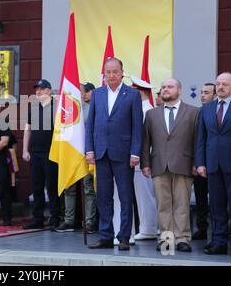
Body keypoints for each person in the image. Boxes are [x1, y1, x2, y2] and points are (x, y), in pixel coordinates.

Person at [85, 58, 143, 251]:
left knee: (126, 196)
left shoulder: (132, 94)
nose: (111, 75)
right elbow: (91, 124)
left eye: (114, 72)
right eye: (107, 72)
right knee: (103, 196)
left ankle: (124, 237)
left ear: (121, 72)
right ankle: (106, 236)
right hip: (101, 152)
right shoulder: (98, 94)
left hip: (124, 153)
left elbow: (137, 127)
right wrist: (90, 149)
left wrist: (136, 152)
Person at [141, 78, 199, 253]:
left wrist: (197, 163)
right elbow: (145, 141)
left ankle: (182, 239)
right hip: (159, 164)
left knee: (182, 204)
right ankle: (166, 239)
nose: (165, 89)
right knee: (163, 204)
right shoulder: (152, 114)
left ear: (179, 90)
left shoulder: (193, 112)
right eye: (163, 87)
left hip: (184, 163)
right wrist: (145, 163)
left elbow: (198, 141)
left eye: (170, 87)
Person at [196, 72, 231, 257]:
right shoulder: (207, 109)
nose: (221, 87)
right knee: (216, 205)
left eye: (225, 84)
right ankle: (219, 241)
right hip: (212, 165)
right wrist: (200, 163)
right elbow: (201, 138)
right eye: (218, 84)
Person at [55, 82, 98, 233]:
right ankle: (69, 221)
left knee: (88, 189)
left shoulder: (94, 108)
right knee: (69, 187)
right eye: (81, 92)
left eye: (86, 91)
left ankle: (90, 222)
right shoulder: (71, 108)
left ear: (92, 92)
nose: (83, 94)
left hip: (87, 153)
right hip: (72, 153)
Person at [22, 79, 60, 230]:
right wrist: (25, 150)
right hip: (35, 152)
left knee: (52, 187)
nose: (38, 91)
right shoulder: (33, 108)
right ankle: (37, 218)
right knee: (36, 187)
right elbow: (27, 130)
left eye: (42, 89)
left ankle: (55, 218)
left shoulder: (56, 107)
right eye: (37, 89)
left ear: (49, 91)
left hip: (50, 152)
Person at [128, 76, 158, 241]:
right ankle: (149, 227)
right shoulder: (145, 108)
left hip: (143, 158)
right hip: (142, 157)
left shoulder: (146, 110)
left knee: (145, 193)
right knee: (145, 193)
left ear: (140, 92)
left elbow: (144, 138)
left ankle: (148, 228)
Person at [192, 83, 217, 241]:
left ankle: (219, 231)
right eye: (201, 92)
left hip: (216, 164)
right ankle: (201, 229)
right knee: (200, 199)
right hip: (200, 164)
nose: (202, 95)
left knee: (217, 200)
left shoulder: (220, 112)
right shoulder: (197, 113)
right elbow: (195, 140)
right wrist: (196, 163)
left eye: (206, 93)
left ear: (214, 95)